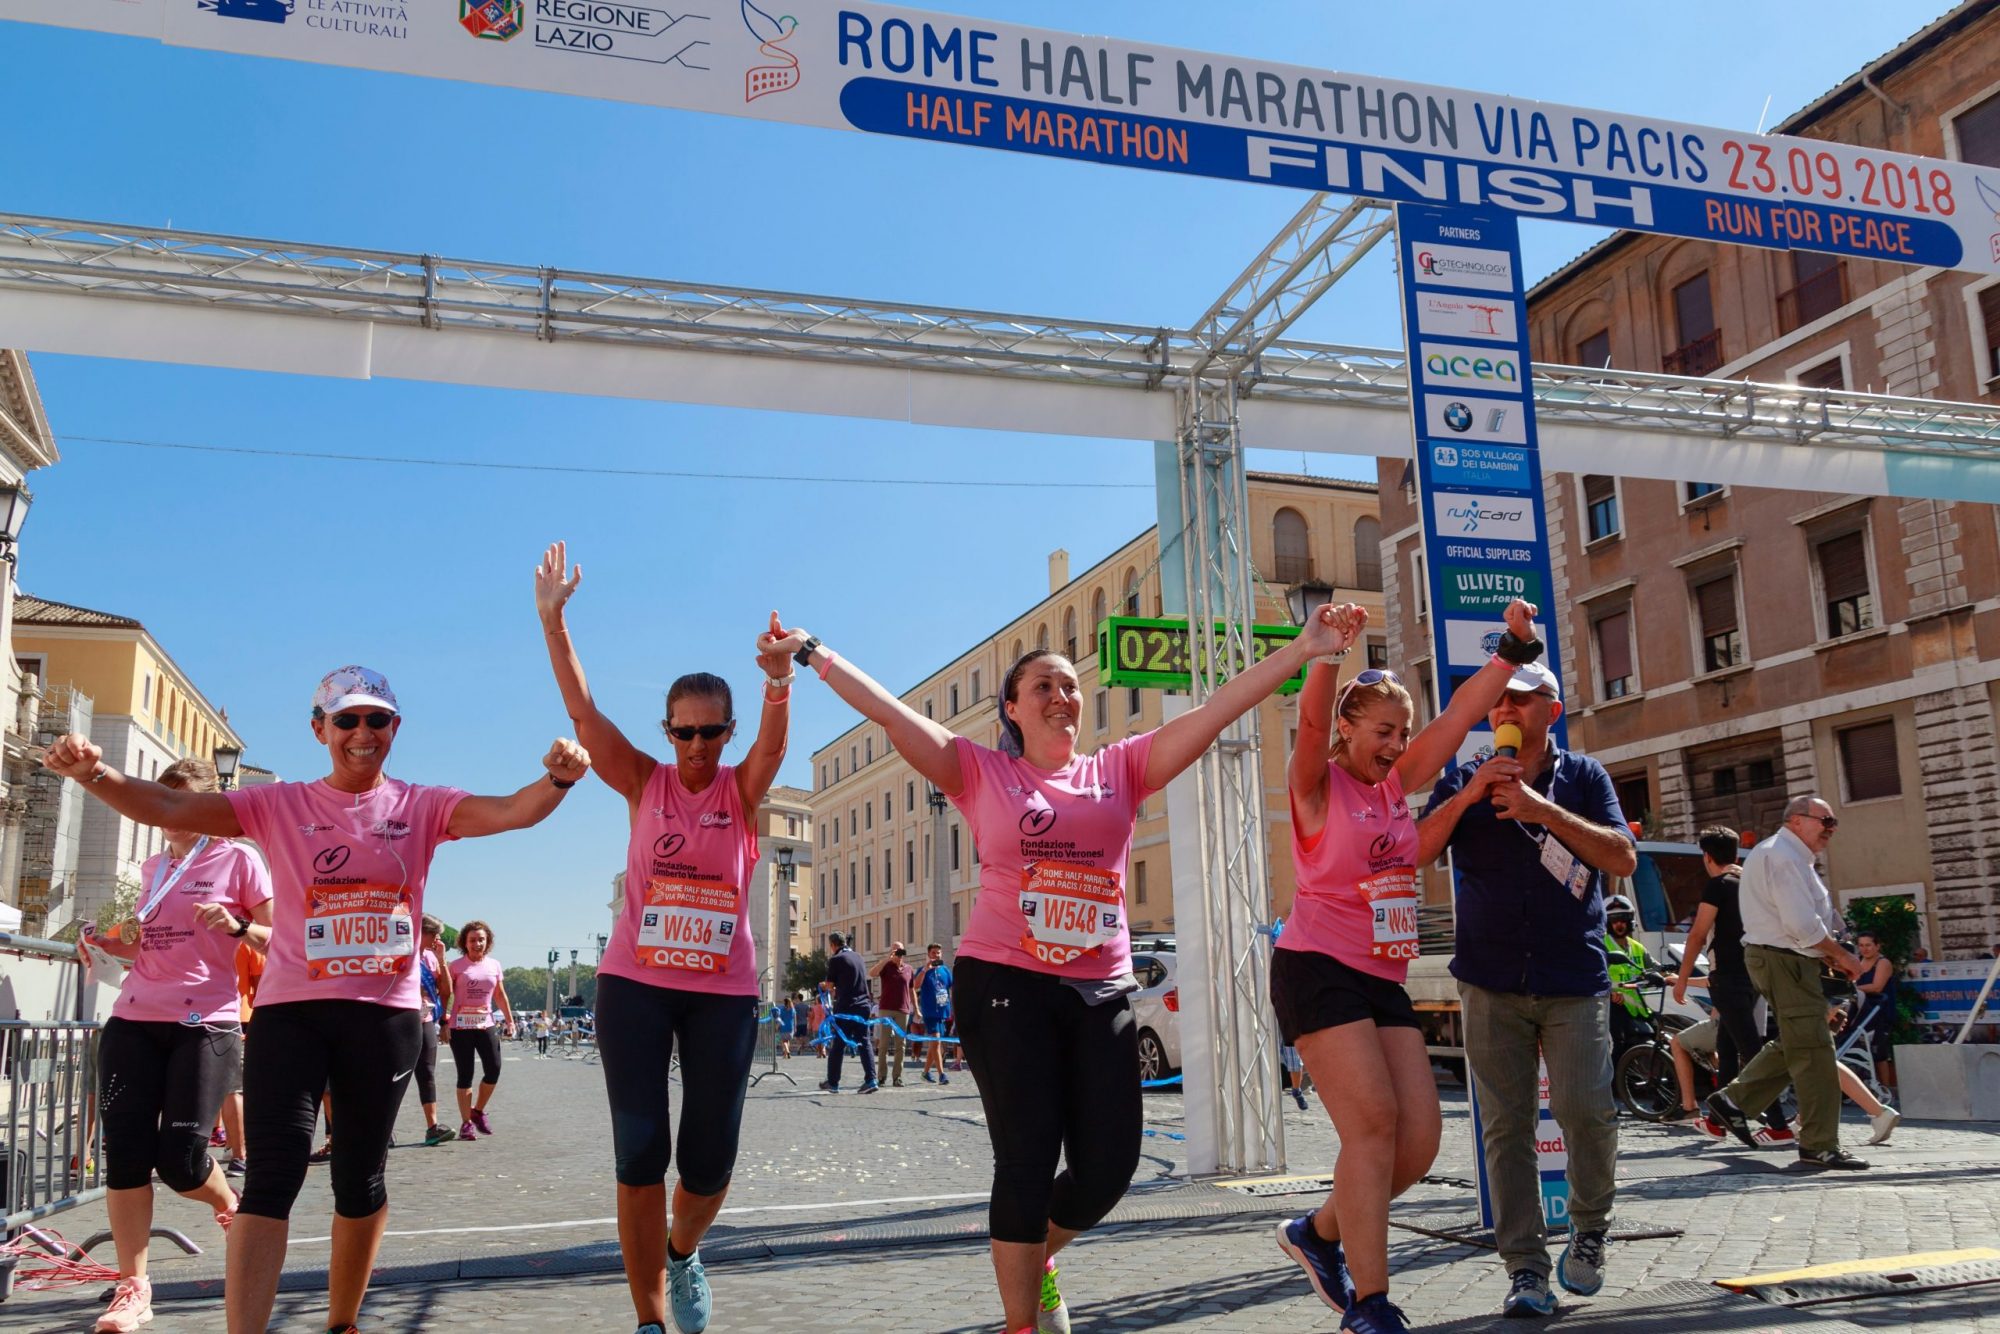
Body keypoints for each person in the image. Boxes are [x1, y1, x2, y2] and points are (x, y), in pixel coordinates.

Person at [767, 603, 1349, 1334]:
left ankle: (1035, 1253)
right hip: (1005, 981)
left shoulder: (1122, 769)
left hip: (1100, 987)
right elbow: (889, 712)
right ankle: (1021, 1322)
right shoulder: (980, 773)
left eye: (1070, 685)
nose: (1061, 696)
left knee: (1109, 1167)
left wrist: (1305, 648)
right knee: (1027, 1158)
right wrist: (814, 652)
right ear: (1012, 708)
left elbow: (1219, 707)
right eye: (1042, 685)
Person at [42, 664, 589, 1334]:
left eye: (377, 720)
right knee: (273, 1178)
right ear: (320, 729)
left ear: (395, 728)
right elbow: (167, 808)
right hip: (291, 1016)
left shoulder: (421, 806)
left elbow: (512, 811)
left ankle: (341, 1322)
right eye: (347, 720)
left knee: (360, 1179)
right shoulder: (280, 805)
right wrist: (91, 774)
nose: (363, 733)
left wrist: (559, 779)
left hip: (382, 1019)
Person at [535, 544, 790, 1334]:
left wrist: (779, 681)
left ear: (728, 729)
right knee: (640, 1154)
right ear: (668, 730)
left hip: (722, 993)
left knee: (709, 1161)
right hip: (636, 987)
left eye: (713, 732)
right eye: (684, 733)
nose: (697, 747)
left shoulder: (741, 790)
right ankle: (649, 1318)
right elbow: (584, 713)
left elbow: (774, 751)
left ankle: (683, 1251)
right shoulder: (643, 781)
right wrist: (554, 620)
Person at [1274, 600, 1539, 1334]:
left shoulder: (1396, 787)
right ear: (1348, 730)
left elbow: (1456, 718)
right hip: (1317, 964)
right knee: (1373, 1124)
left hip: (1381, 975)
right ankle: (1371, 1302)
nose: (1394, 746)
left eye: (1400, 733)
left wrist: (1511, 651)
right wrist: (1328, 653)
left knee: (1417, 1144)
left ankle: (1317, 1234)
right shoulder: (1317, 787)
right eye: (1380, 732)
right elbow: (1305, 725)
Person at [1416, 657, 1638, 1319]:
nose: (1507, 710)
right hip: (1489, 981)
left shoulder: (1585, 777)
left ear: (1552, 710)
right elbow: (1419, 850)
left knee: (1585, 1111)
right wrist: (1467, 793)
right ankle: (1526, 1269)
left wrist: (1543, 810)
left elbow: (1622, 856)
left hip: (1572, 977)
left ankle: (1590, 1228)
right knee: (1505, 1129)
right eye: (1499, 703)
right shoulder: (1467, 777)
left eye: (1522, 699)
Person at [79, 758, 274, 1334]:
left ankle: (227, 1204)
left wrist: (238, 928)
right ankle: (133, 1288)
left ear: (206, 805)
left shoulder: (239, 858)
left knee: (183, 1159)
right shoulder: (153, 866)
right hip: (134, 1019)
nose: (168, 811)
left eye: (181, 799)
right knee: (126, 1156)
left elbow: (280, 935)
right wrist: (108, 943)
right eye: (161, 799)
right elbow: (149, 949)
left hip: (205, 1023)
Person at [1705, 796, 1869, 1171]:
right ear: (1796, 820)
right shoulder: (1783, 856)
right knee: (1815, 1052)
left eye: (1833, 822)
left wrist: (1828, 953)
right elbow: (1800, 925)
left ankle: (1734, 1102)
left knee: (1800, 1040)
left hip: (1786, 959)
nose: (1830, 828)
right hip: (1784, 960)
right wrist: (1841, 955)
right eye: (1825, 820)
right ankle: (1819, 1144)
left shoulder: (1788, 856)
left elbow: (1802, 925)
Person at [1673, 827, 1791, 1143]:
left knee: (1751, 1051)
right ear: (1736, 854)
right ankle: (1717, 1121)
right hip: (1755, 976)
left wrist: (1682, 980)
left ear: (1707, 857)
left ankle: (1779, 1127)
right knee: (1727, 1049)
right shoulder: (1750, 884)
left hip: (1727, 979)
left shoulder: (1718, 886)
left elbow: (1698, 934)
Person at [448, 920, 514, 1140]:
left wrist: (510, 1021)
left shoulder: (494, 965)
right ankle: (466, 1123)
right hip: (461, 1025)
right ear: (465, 943)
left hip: (485, 1023)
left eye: (481, 940)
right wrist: (444, 1021)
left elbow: (500, 995)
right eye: (473, 940)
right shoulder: (456, 966)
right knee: (465, 1075)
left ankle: (477, 1110)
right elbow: (446, 993)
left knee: (494, 1069)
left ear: (488, 942)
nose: (477, 944)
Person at [415, 915, 456, 1147]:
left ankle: (432, 1126)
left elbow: (445, 991)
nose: (437, 938)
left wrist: (442, 960)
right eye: (434, 934)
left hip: (426, 1018)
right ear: (421, 933)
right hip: (402, 1018)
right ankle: (385, 1128)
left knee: (427, 1073)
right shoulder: (403, 953)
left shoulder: (431, 957)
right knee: (395, 1075)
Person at [819, 932, 878, 1093]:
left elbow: (830, 986)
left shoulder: (836, 959)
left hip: (846, 1006)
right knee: (864, 1042)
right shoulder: (858, 956)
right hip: (864, 1005)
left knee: (838, 1044)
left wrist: (824, 985)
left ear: (833, 945)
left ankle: (833, 1082)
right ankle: (871, 1079)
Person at [1603, 895, 1651, 1054]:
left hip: (1638, 1007)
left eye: (1623, 919)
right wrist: (1610, 993)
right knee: (1619, 1043)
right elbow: (1590, 975)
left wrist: (1670, 975)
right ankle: (1614, 1079)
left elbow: (1654, 968)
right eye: (1614, 920)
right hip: (1611, 1006)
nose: (1619, 924)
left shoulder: (1638, 948)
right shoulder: (1601, 946)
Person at [1852, 930, 1897, 1089]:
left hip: (1880, 1011)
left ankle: (1885, 1089)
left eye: (1868, 945)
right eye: (1861, 945)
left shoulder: (1883, 963)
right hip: (1860, 1011)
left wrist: (1854, 989)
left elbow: (1877, 986)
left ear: (1877, 946)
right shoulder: (1856, 961)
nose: (1865, 949)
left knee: (1879, 1052)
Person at [873, 942, 915, 1087]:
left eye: (900, 950)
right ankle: (881, 1076)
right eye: (895, 950)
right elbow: (872, 973)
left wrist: (916, 1007)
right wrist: (886, 959)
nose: (898, 953)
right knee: (883, 1044)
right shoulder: (886, 966)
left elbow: (911, 990)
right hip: (886, 1009)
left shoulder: (909, 969)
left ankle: (897, 1077)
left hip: (903, 1010)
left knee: (900, 1045)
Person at [911, 943, 954, 1085]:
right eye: (934, 953)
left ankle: (925, 1072)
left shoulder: (945, 971)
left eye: (938, 953)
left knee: (935, 1045)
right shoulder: (923, 970)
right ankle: (942, 1074)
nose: (936, 955)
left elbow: (952, 987)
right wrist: (925, 970)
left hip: (943, 1011)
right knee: (936, 1041)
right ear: (929, 954)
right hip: (930, 1011)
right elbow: (915, 986)